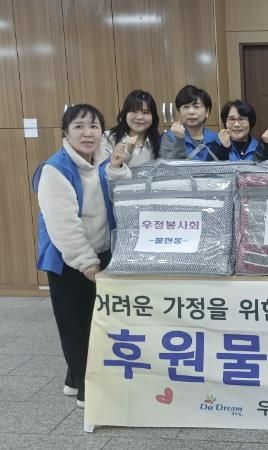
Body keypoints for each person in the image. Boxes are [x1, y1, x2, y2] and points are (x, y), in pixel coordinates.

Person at [32, 105, 131, 409]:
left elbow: (122, 197)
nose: (87, 133)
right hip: (69, 259)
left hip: (102, 251)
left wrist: (117, 168)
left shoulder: (103, 158)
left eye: (94, 126)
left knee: (97, 320)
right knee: (76, 324)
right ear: (65, 132)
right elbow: (64, 226)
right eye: (79, 126)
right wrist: (87, 264)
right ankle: (88, 391)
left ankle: (73, 378)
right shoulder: (54, 170)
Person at [102, 89, 161, 166]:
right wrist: (126, 152)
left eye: (145, 112)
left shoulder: (157, 142)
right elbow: (102, 169)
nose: (139, 117)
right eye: (134, 111)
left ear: (153, 116)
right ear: (125, 113)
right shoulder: (108, 137)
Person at [160, 85, 218, 160]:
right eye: (186, 107)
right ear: (179, 111)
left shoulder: (215, 138)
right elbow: (170, 166)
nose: (191, 112)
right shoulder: (169, 138)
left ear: (207, 111)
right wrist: (179, 140)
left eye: (196, 107)